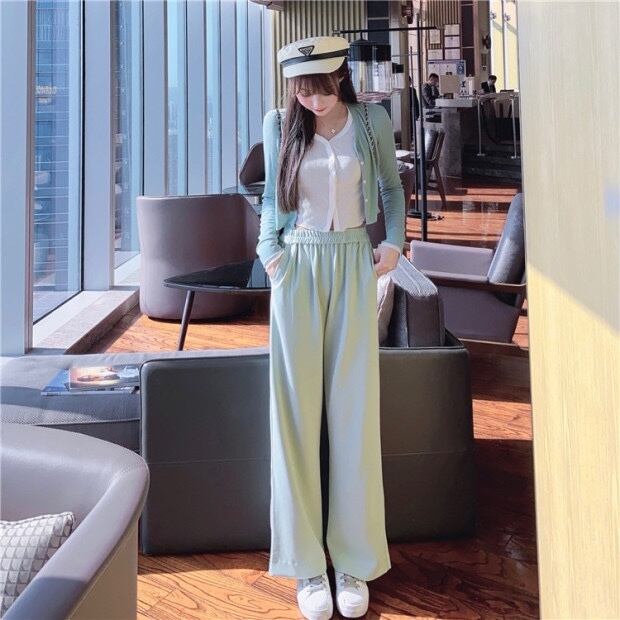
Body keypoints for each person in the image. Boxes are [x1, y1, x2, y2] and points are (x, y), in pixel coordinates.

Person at [256, 35, 405, 620]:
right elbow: (271, 197)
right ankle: (306, 565)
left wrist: (393, 242)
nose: (312, 101)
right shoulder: (280, 125)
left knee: (353, 413)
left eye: (320, 89)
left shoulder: (371, 122)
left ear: (340, 76)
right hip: (296, 262)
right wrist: (271, 255)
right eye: (302, 90)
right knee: (294, 415)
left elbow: (391, 187)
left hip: (351, 261)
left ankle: (353, 560)